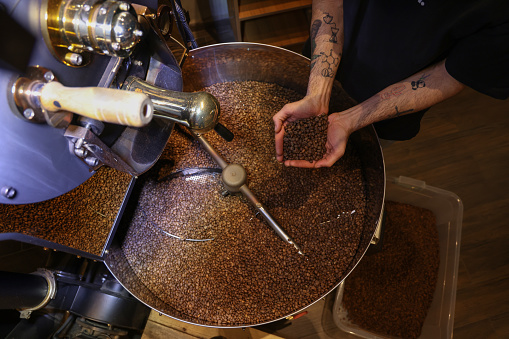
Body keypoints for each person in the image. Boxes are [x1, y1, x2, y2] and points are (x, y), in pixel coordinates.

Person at [273, 0, 509, 168]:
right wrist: (317, 92)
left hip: (391, 107)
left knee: (357, 161)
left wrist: (349, 120)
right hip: (321, 61)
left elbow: (453, 73)